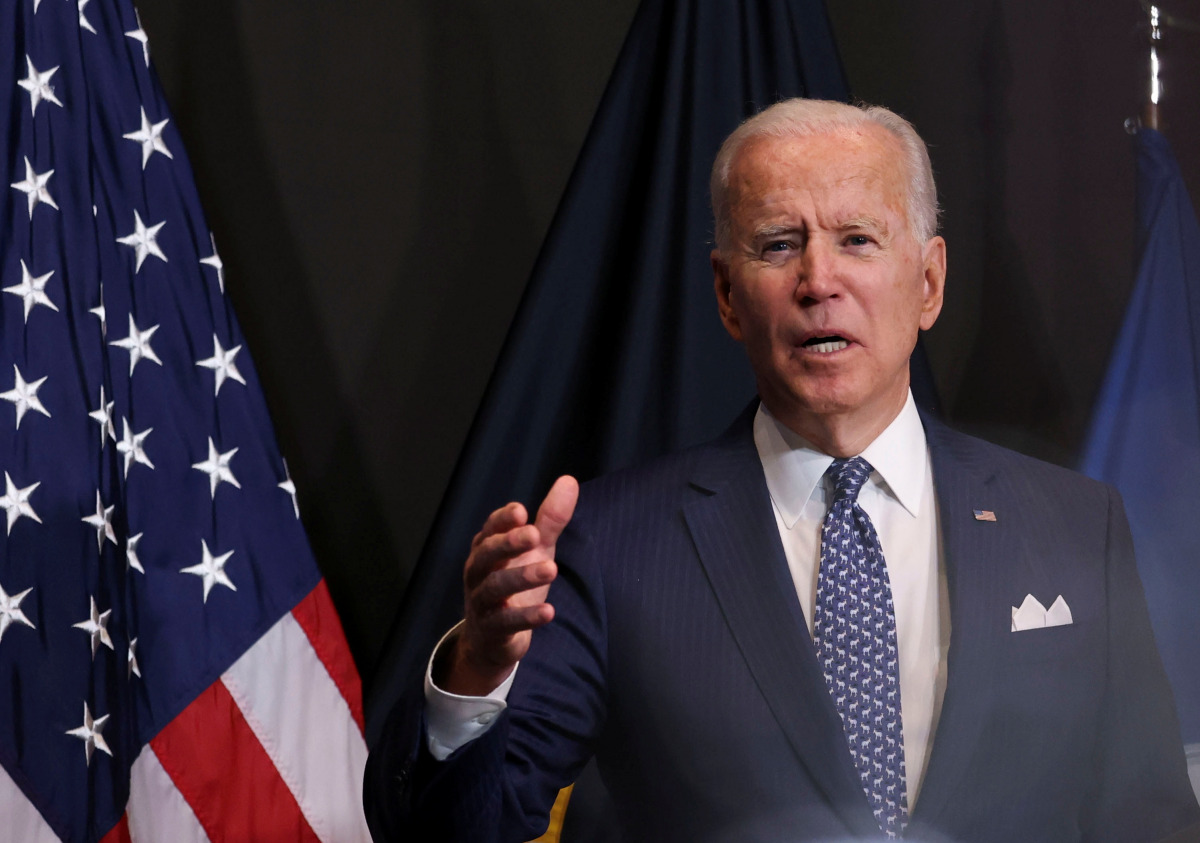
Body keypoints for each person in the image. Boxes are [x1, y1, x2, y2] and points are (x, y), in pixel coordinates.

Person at [363, 99, 1200, 842]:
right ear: (727, 295)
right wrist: (476, 671)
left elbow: (1147, 818)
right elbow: (453, 830)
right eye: (778, 244)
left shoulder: (1073, 524)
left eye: (858, 239)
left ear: (930, 282)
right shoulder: (612, 547)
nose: (818, 281)